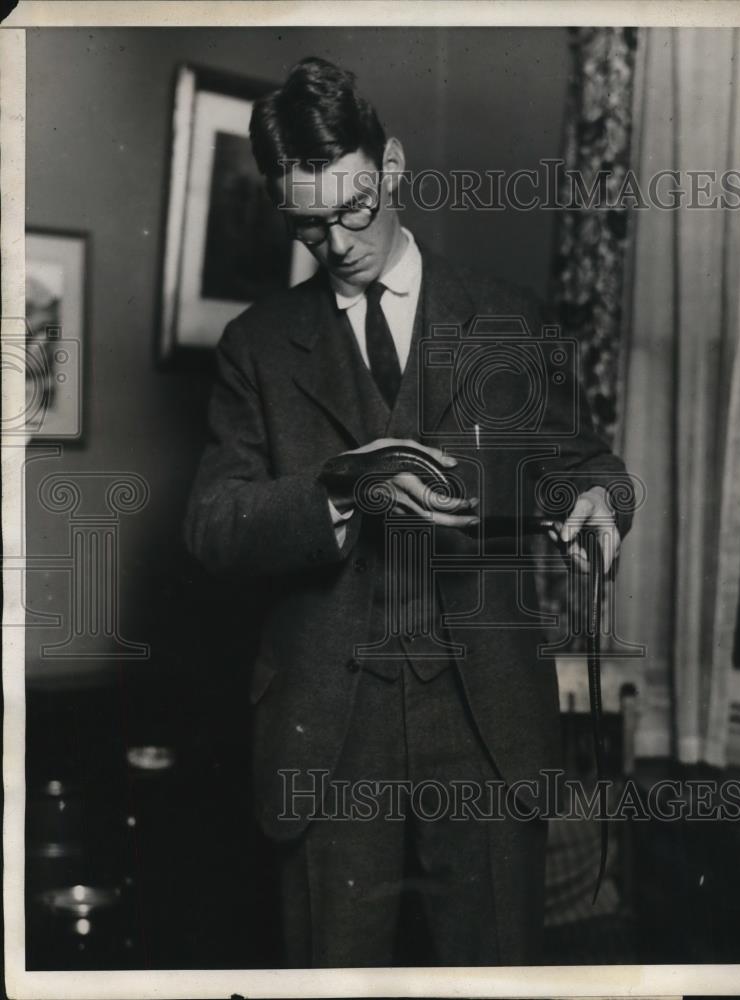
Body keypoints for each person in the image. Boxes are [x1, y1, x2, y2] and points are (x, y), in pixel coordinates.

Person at [184, 56, 630, 968]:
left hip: (487, 725)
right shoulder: (256, 348)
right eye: (309, 226)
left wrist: (595, 499)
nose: (339, 240)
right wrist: (342, 488)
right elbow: (214, 525)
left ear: (391, 168)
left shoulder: (507, 318)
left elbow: (583, 464)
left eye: (355, 208)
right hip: (328, 731)